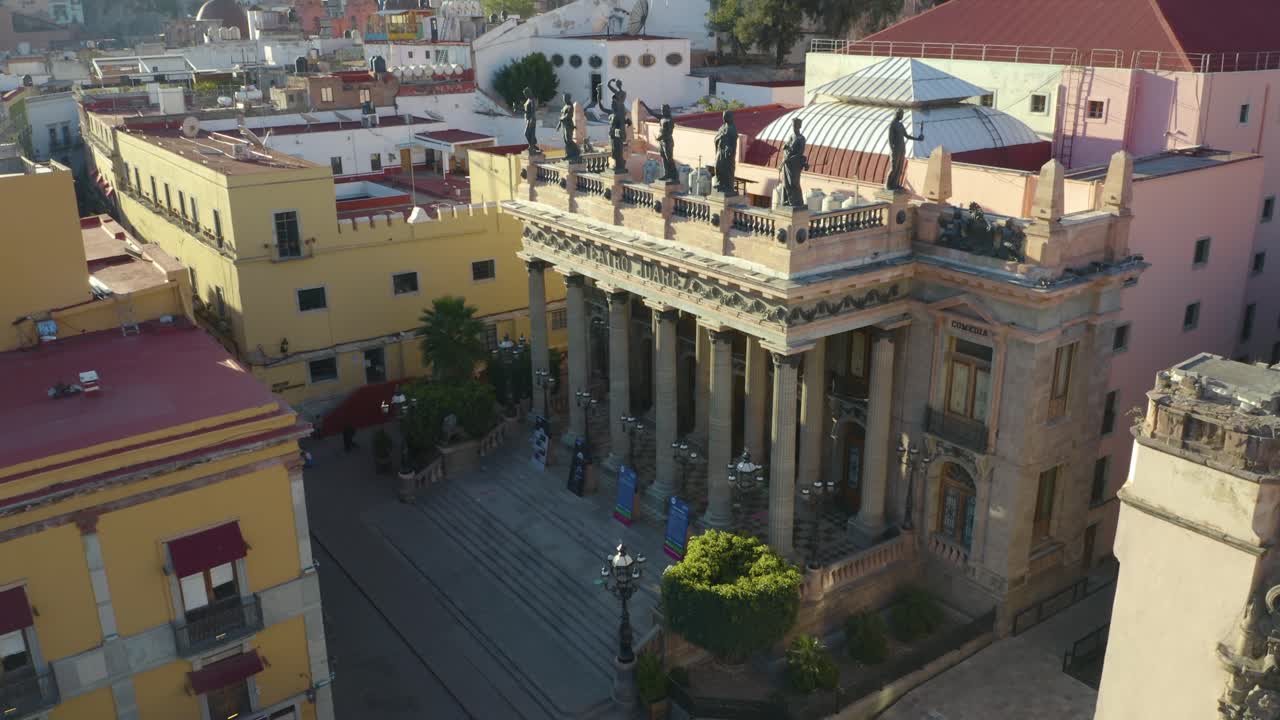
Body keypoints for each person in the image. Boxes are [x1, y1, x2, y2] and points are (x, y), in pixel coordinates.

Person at [886, 108, 924, 191]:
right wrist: (892, 150)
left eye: (903, 114)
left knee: (899, 168)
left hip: (902, 148)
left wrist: (918, 139)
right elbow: (890, 139)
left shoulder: (900, 125)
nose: (902, 116)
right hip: (895, 149)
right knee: (893, 168)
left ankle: (896, 184)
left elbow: (907, 136)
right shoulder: (892, 124)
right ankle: (888, 185)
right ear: (897, 114)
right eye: (901, 114)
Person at [781, 117, 809, 208]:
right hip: (787, 164)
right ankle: (788, 200)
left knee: (794, 183)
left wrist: (790, 158)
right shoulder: (791, 136)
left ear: (799, 126)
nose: (794, 127)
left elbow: (799, 153)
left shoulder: (801, 138)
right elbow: (785, 147)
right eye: (793, 125)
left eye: (796, 125)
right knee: (786, 183)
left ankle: (797, 201)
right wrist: (785, 148)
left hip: (794, 164)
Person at [649, 103, 677, 183]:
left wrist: (660, 138)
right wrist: (644, 104)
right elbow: (652, 113)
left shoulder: (669, 120)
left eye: (664, 110)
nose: (662, 111)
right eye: (661, 110)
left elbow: (669, 133)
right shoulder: (662, 118)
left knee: (669, 159)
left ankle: (674, 175)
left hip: (667, 142)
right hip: (661, 142)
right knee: (663, 158)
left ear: (668, 110)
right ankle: (666, 174)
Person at [713, 110, 738, 195]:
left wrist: (728, 148)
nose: (724, 118)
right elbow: (717, 137)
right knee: (717, 166)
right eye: (723, 116)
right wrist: (720, 137)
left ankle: (727, 186)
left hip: (727, 154)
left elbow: (733, 142)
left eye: (725, 116)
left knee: (727, 170)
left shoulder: (732, 128)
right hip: (720, 151)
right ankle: (720, 183)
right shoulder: (722, 127)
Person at [557, 92, 580, 162]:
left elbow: (568, 116)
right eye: (563, 98)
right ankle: (568, 154)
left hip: (569, 125)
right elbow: (562, 116)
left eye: (565, 98)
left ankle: (577, 150)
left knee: (568, 139)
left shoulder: (570, 106)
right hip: (564, 125)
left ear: (568, 98)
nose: (563, 99)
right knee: (566, 140)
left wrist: (561, 119)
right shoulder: (565, 106)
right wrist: (559, 125)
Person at [523, 87, 540, 154]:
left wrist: (531, 119)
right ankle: (532, 146)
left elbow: (533, 111)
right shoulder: (528, 100)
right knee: (529, 134)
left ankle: (532, 146)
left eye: (525, 94)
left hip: (531, 119)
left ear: (529, 93)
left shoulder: (532, 100)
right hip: (528, 119)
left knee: (528, 133)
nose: (525, 95)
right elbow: (527, 110)